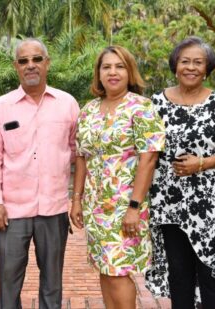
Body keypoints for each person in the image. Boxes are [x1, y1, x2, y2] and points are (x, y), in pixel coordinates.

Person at [144, 36, 215, 308]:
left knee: (212, 274)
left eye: (198, 62)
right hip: (170, 203)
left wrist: (203, 163)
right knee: (179, 274)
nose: (191, 67)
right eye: (185, 61)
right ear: (175, 66)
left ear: (207, 68)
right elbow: (145, 152)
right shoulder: (155, 104)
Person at [0, 38, 80, 309]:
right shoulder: (1, 107)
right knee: (8, 284)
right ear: (16, 67)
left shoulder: (67, 104)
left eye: (37, 59)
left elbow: (76, 151)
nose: (31, 65)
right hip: (11, 211)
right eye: (24, 61)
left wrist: (75, 198)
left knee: (52, 285)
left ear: (47, 63)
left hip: (54, 208)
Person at [70, 46, 165, 309]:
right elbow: (81, 156)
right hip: (96, 206)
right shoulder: (88, 109)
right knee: (105, 267)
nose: (112, 72)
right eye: (106, 67)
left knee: (119, 270)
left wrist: (134, 207)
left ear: (129, 72)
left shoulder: (141, 107)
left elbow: (149, 159)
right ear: (98, 73)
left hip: (126, 205)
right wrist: (76, 200)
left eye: (119, 66)